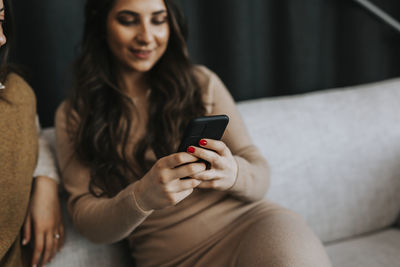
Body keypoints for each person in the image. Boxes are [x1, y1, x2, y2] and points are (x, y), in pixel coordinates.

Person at [56, 0, 332, 266]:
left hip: (253, 228)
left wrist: (233, 172)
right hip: (169, 258)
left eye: (158, 20)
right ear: (101, 25)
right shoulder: (75, 114)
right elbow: (88, 222)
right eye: (128, 21)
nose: (146, 36)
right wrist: (142, 196)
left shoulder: (201, 82)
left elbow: (260, 176)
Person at [0, 0, 64, 266]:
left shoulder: (16, 94)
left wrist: (47, 180)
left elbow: (35, 135)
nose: (1, 38)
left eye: (0, 18)